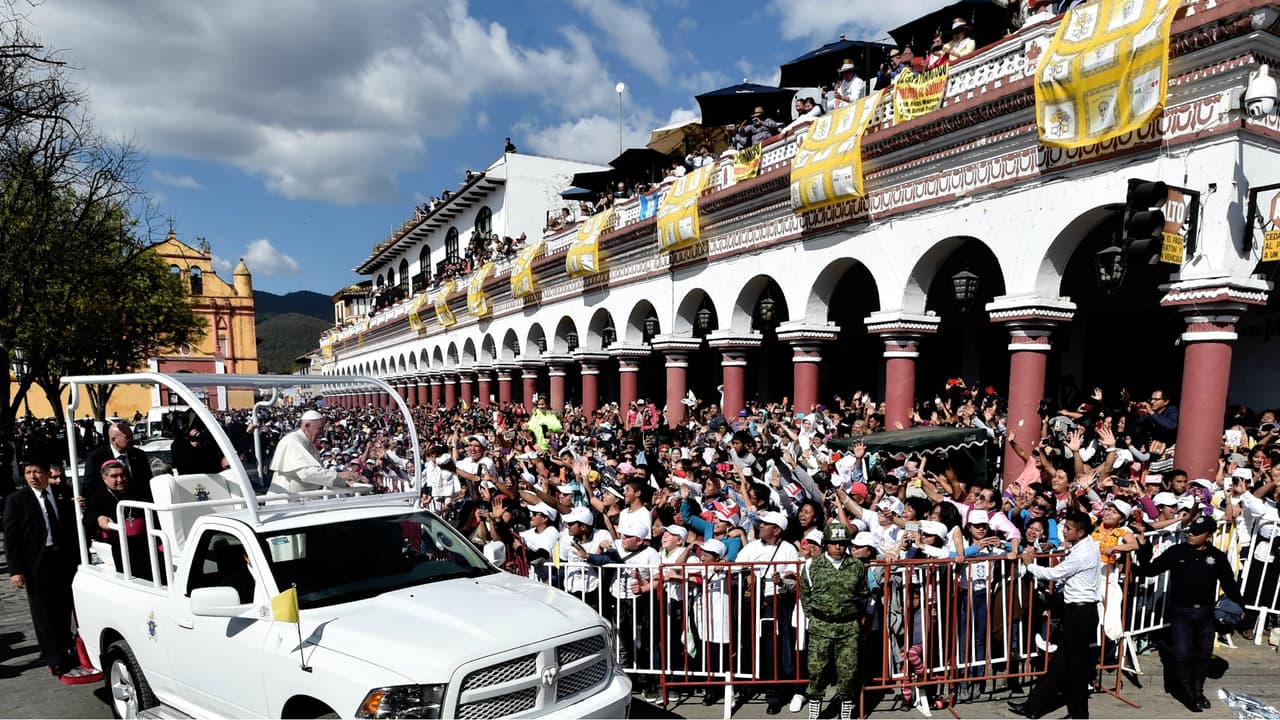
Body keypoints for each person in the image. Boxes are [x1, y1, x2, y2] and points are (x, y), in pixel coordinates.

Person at [1132, 515, 1245, 712]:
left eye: (1196, 532)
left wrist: (1241, 607)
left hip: (1205, 613)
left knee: (1203, 654)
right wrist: (1140, 550)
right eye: (1190, 530)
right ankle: (1189, 696)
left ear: (1208, 536)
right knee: (1182, 654)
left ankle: (1198, 691)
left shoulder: (1217, 556)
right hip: (1180, 613)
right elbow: (1149, 570)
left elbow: (1229, 584)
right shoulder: (1176, 552)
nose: (1190, 534)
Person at [3, 458, 96, 680]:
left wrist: (82, 507)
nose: (32, 476)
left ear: (47, 473)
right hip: (37, 563)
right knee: (45, 615)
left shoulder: (63, 494)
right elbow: (11, 538)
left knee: (64, 610)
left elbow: (74, 525)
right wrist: (15, 570)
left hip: (63, 559)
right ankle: (56, 661)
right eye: (28, 472)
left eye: (36, 471)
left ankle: (70, 652)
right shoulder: (17, 500)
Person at [1009, 509, 1100, 720]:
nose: (1064, 531)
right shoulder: (1084, 545)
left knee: (1075, 666)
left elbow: (1055, 573)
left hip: (1081, 612)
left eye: (1068, 528)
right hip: (1076, 611)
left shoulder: (1083, 553)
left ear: (1080, 532)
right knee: (1060, 664)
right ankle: (1034, 706)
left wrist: (1029, 565)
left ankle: (1079, 714)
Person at [799, 523, 867, 720]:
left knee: (848, 669)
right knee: (817, 669)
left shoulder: (856, 566)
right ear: (826, 544)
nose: (838, 547)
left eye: (842, 543)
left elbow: (863, 594)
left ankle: (845, 705)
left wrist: (853, 616)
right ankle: (815, 704)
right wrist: (814, 617)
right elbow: (805, 594)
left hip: (848, 627)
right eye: (833, 543)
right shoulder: (812, 565)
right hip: (820, 625)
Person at [84, 459, 154, 580]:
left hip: (144, 542)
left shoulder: (137, 492)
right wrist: (99, 518)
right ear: (104, 478)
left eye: (122, 475)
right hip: (118, 543)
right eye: (114, 476)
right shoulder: (98, 497)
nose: (120, 480)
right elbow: (88, 518)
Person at [268, 410, 360, 493]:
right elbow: (307, 473)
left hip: (302, 500)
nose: (322, 433)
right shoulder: (292, 441)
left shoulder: (307, 442)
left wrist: (344, 483)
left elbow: (318, 475)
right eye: (320, 429)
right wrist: (339, 475)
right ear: (307, 426)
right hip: (286, 500)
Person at [83, 421, 153, 503]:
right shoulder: (96, 457)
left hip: (138, 504)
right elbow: (90, 485)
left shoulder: (139, 455)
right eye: (127, 437)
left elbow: (147, 481)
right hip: (110, 504)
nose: (132, 440)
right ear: (114, 440)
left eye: (132, 436)